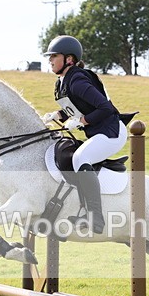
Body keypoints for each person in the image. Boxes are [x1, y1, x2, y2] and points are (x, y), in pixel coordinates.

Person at [41, 35, 127, 234]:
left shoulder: (77, 80)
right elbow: (77, 108)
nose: (50, 60)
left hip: (111, 132)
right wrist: (58, 115)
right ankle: (81, 209)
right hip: (98, 132)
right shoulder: (62, 83)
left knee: (81, 157)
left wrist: (81, 122)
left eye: (54, 56)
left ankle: (96, 218)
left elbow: (105, 108)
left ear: (69, 59)